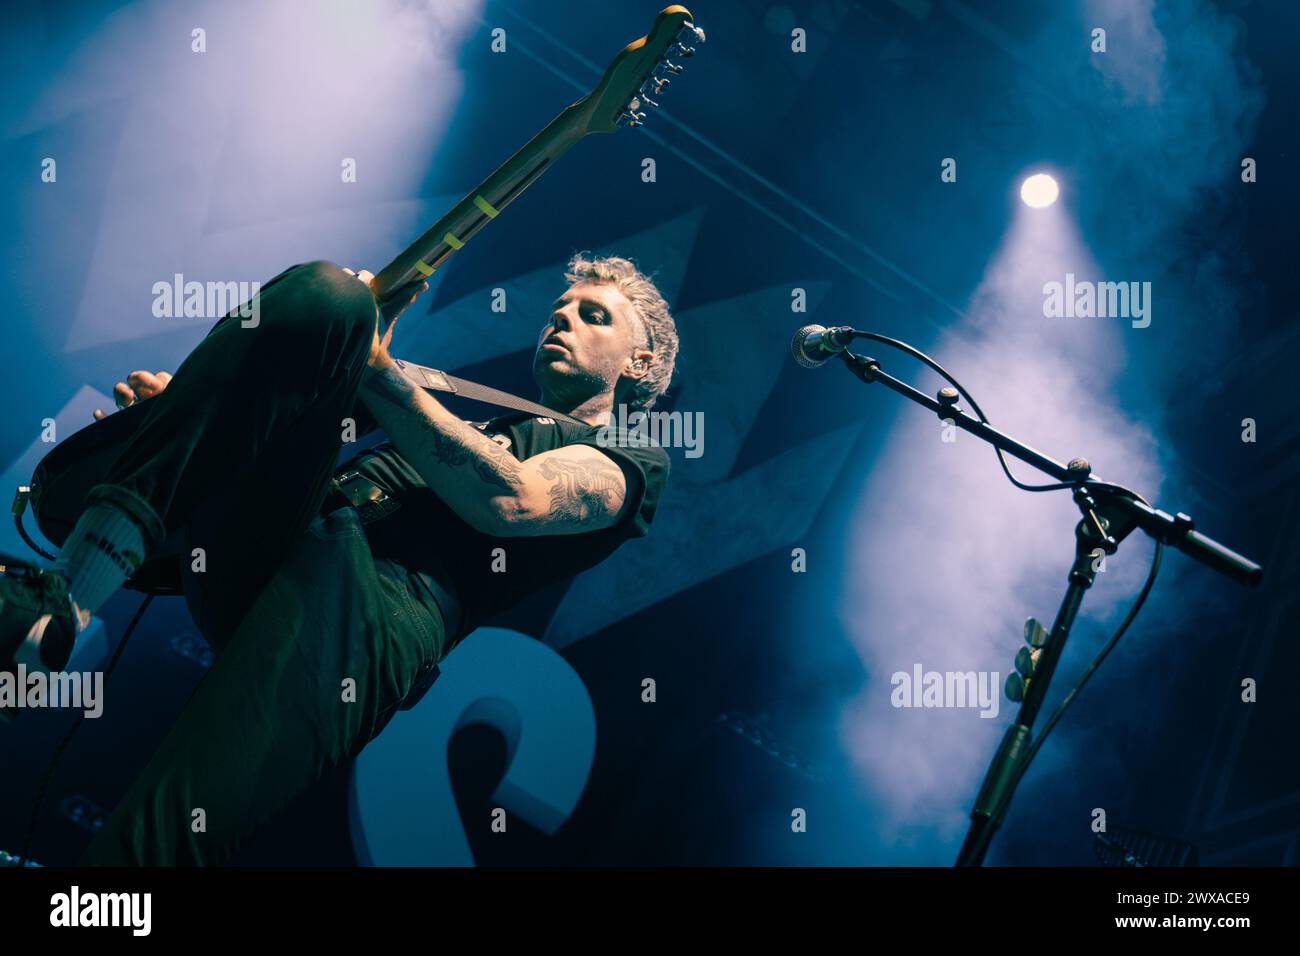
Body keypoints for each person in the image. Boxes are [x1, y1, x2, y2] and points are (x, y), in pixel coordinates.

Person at [0, 253, 676, 864]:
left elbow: (512, 500)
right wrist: (190, 419)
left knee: (155, 841)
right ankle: (60, 602)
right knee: (329, 295)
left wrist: (378, 368)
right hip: (295, 539)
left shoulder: (632, 462)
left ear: (639, 365)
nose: (562, 323)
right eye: (559, 313)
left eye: (593, 316)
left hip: (365, 621)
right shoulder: (481, 420)